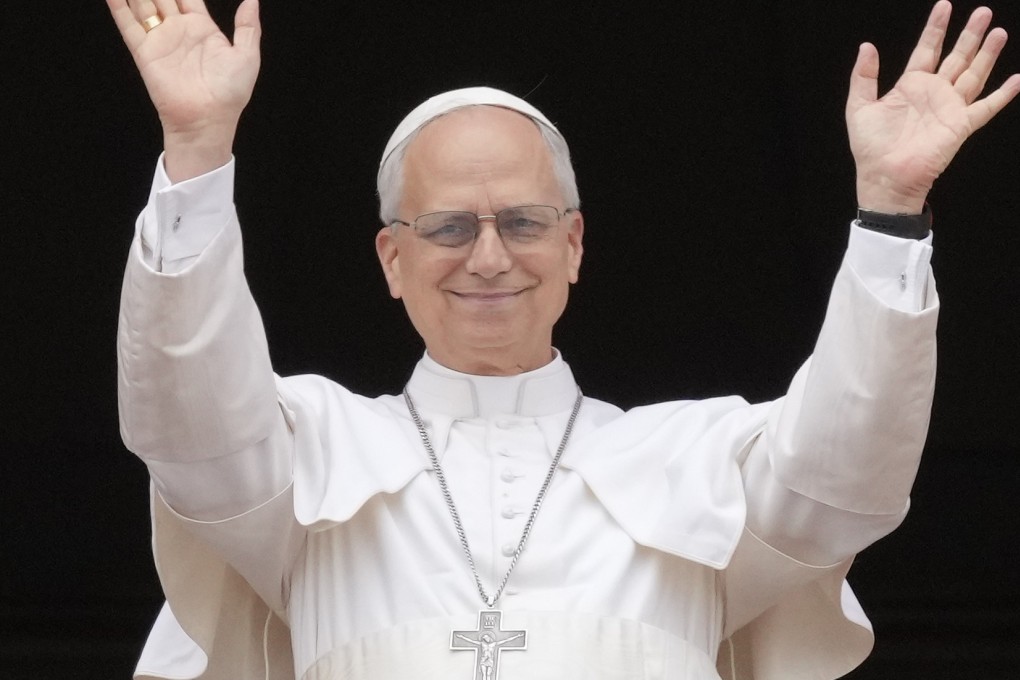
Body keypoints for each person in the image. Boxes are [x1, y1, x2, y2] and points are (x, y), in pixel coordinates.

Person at [107, 0, 1019, 679]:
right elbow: (190, 425)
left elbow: (847, 477)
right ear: (391, 258)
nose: (490, 256)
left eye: (525, 222)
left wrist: (891, 213)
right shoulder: (310, 446)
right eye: (450, 228)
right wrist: (196, 152)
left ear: (574, 244)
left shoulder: (694, 456)